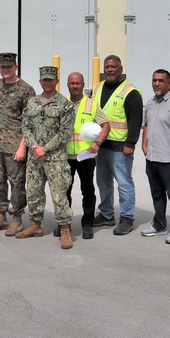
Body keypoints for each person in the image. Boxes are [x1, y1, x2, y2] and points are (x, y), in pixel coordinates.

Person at [16, 66, 77, 249]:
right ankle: (35, 225)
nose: (47, 82)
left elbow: (65, 133)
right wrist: (35, 147)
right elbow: (25, 127)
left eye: (51, 79)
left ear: (56, 81)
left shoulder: (65, 105)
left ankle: (65, 229)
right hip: (35, 157)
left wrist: (45, 148)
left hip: (55, 157)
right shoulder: (32, 102)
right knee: (34, 191)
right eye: (44, 79)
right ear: (40, 81)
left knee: (59, 194)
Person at [0, 52, 35, 235]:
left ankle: (18, 219)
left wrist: (23, 147)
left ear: (16, 67)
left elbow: (29, 122)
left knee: (17, 183)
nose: (5, 69)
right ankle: (0, 216)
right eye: (2, 66)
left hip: (15, 145)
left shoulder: (26, 90)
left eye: (9, 66)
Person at [91, 54, 143, 236]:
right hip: (100, 146)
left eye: (113, 67)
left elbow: (136, 120)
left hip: (121, 148)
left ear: (121, 69)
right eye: (107, 67)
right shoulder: (96, 88)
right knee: (103, 183)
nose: (110, 70)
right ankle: (106, 214)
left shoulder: (130, 92)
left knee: (124, 183)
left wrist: (131, 143)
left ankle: (127, 218)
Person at [141, 69, 170, 245]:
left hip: (169, 160)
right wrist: (144, 144)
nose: (156, 83)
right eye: (154, 80)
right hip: (152, 158)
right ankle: (159, 224)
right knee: (157, 194)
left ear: (169, 83)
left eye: (161, 80)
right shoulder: (151, 103)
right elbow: (146, 125)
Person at [63, 71, 111, 240]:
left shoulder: (91, 104)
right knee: (64, 191)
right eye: (71, 83)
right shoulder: (62, 103)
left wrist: (97, 143)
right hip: (65, 156)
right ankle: (64, 224)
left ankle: (87, 223)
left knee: (88, 191)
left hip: (85, 156)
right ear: (67, 85)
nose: (75, 86)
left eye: (78, 83)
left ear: (83, 85)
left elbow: (106, 125)